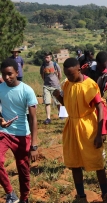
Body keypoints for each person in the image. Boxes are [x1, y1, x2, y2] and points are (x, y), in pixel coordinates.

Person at [52, 58, 107, 201]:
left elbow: (100, 108)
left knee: (96, 161)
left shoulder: (89, 85)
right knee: (74, 162)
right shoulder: (67, 84)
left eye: (71, 74)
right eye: (66, 74)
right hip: (72, 126)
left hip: (88, 126)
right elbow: (67, 102)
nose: (69, 77)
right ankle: (81, 195)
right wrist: (58, 97)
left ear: (79, 69)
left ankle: (105, 193)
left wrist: (100, 132)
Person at [0, 58, 38, 203]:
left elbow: (33, 118)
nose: (7, 77)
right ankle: (10, 193)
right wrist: (1, 119)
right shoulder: (1, 88)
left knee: (23, 170)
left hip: (22, 135)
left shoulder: (27, 90)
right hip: (4, 132)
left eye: (9, 74)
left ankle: (24, 198)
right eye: (4, 74)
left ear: (17, 72)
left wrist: (34, 145)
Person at [81, 51, 107, 139]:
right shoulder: (88, 70)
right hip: (86, 103)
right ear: (97, 62)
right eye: (100, 66)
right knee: (87, 130)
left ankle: (100, 149)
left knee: (102, 131)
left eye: (104, 66)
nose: (102, 69)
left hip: (99, 101)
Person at [40, 52, 62, 125]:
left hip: (55, 85)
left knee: (58, 102)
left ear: (51, 57)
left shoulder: (55, 65)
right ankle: (48, 118)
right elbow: (42, 75)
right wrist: (45, 82)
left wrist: (57, 81)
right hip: (46, 86)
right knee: (47, 102)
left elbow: (60, 74)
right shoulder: (43, 66)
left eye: (48, 57)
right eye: (45, 57)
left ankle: (61, 114)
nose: (47, 59)